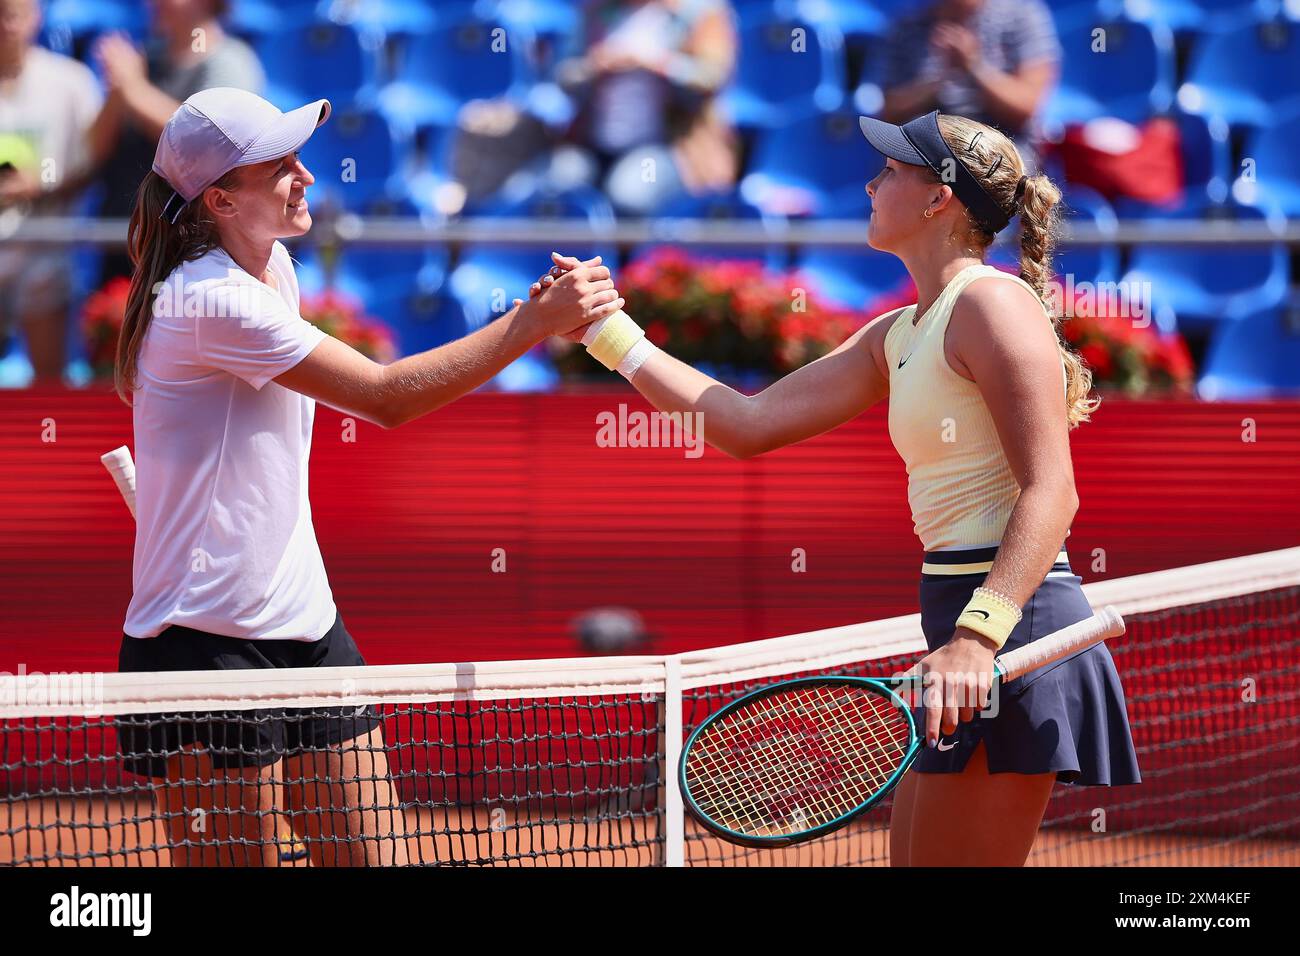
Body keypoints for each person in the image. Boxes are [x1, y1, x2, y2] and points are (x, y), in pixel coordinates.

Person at [538, 110, 1142, 866]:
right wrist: (607, 332)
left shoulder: (992, 304)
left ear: (937, 201)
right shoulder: (896, 334)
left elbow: (1053, 490)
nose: (870, 182)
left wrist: (977, 637)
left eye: (891, 171)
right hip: (963, 634)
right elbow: (746, 423)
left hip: (1011, 630)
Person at [115, 87, 621, 866]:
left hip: (309, 630)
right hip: (203, 646)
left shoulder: (270, 266)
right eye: (280, 166)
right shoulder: (209, 302)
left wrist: (534, 320)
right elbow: (386, 397)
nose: (306, 176)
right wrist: (533, 325)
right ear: (220, 200)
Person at [92, 0, 265, 281]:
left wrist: (133, 90)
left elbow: (208, 141)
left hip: (193, 248)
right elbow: (94, 151)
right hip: (125, 243)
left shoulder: (231, 62)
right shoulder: (144, 61)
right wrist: (117, 93)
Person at [550, 0, 738, 214]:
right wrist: (594, 66)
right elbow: (563, 76)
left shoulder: (698, 11)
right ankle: (567, 249)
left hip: (664, 149)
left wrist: (659, 64)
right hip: (592, 145)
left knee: (631, 193)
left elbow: (712, 78)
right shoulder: (596, 11)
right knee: (558, 186)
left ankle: (638, 247)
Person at [0, 0, 102, 382]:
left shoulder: (70, 81)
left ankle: (47, 441)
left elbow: (89, 165)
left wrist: (41, 184)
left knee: (47, 385)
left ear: (35, 18)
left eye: (15, 15)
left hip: (46, 250)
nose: (8, 25)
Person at [877, 0, 1059, 169]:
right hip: (928, 151)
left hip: (1001, 151)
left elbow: (1024, 109)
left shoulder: (1022, 14)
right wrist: (937, 83)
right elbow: (888, 115)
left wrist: (974, 67)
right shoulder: (906, 27)